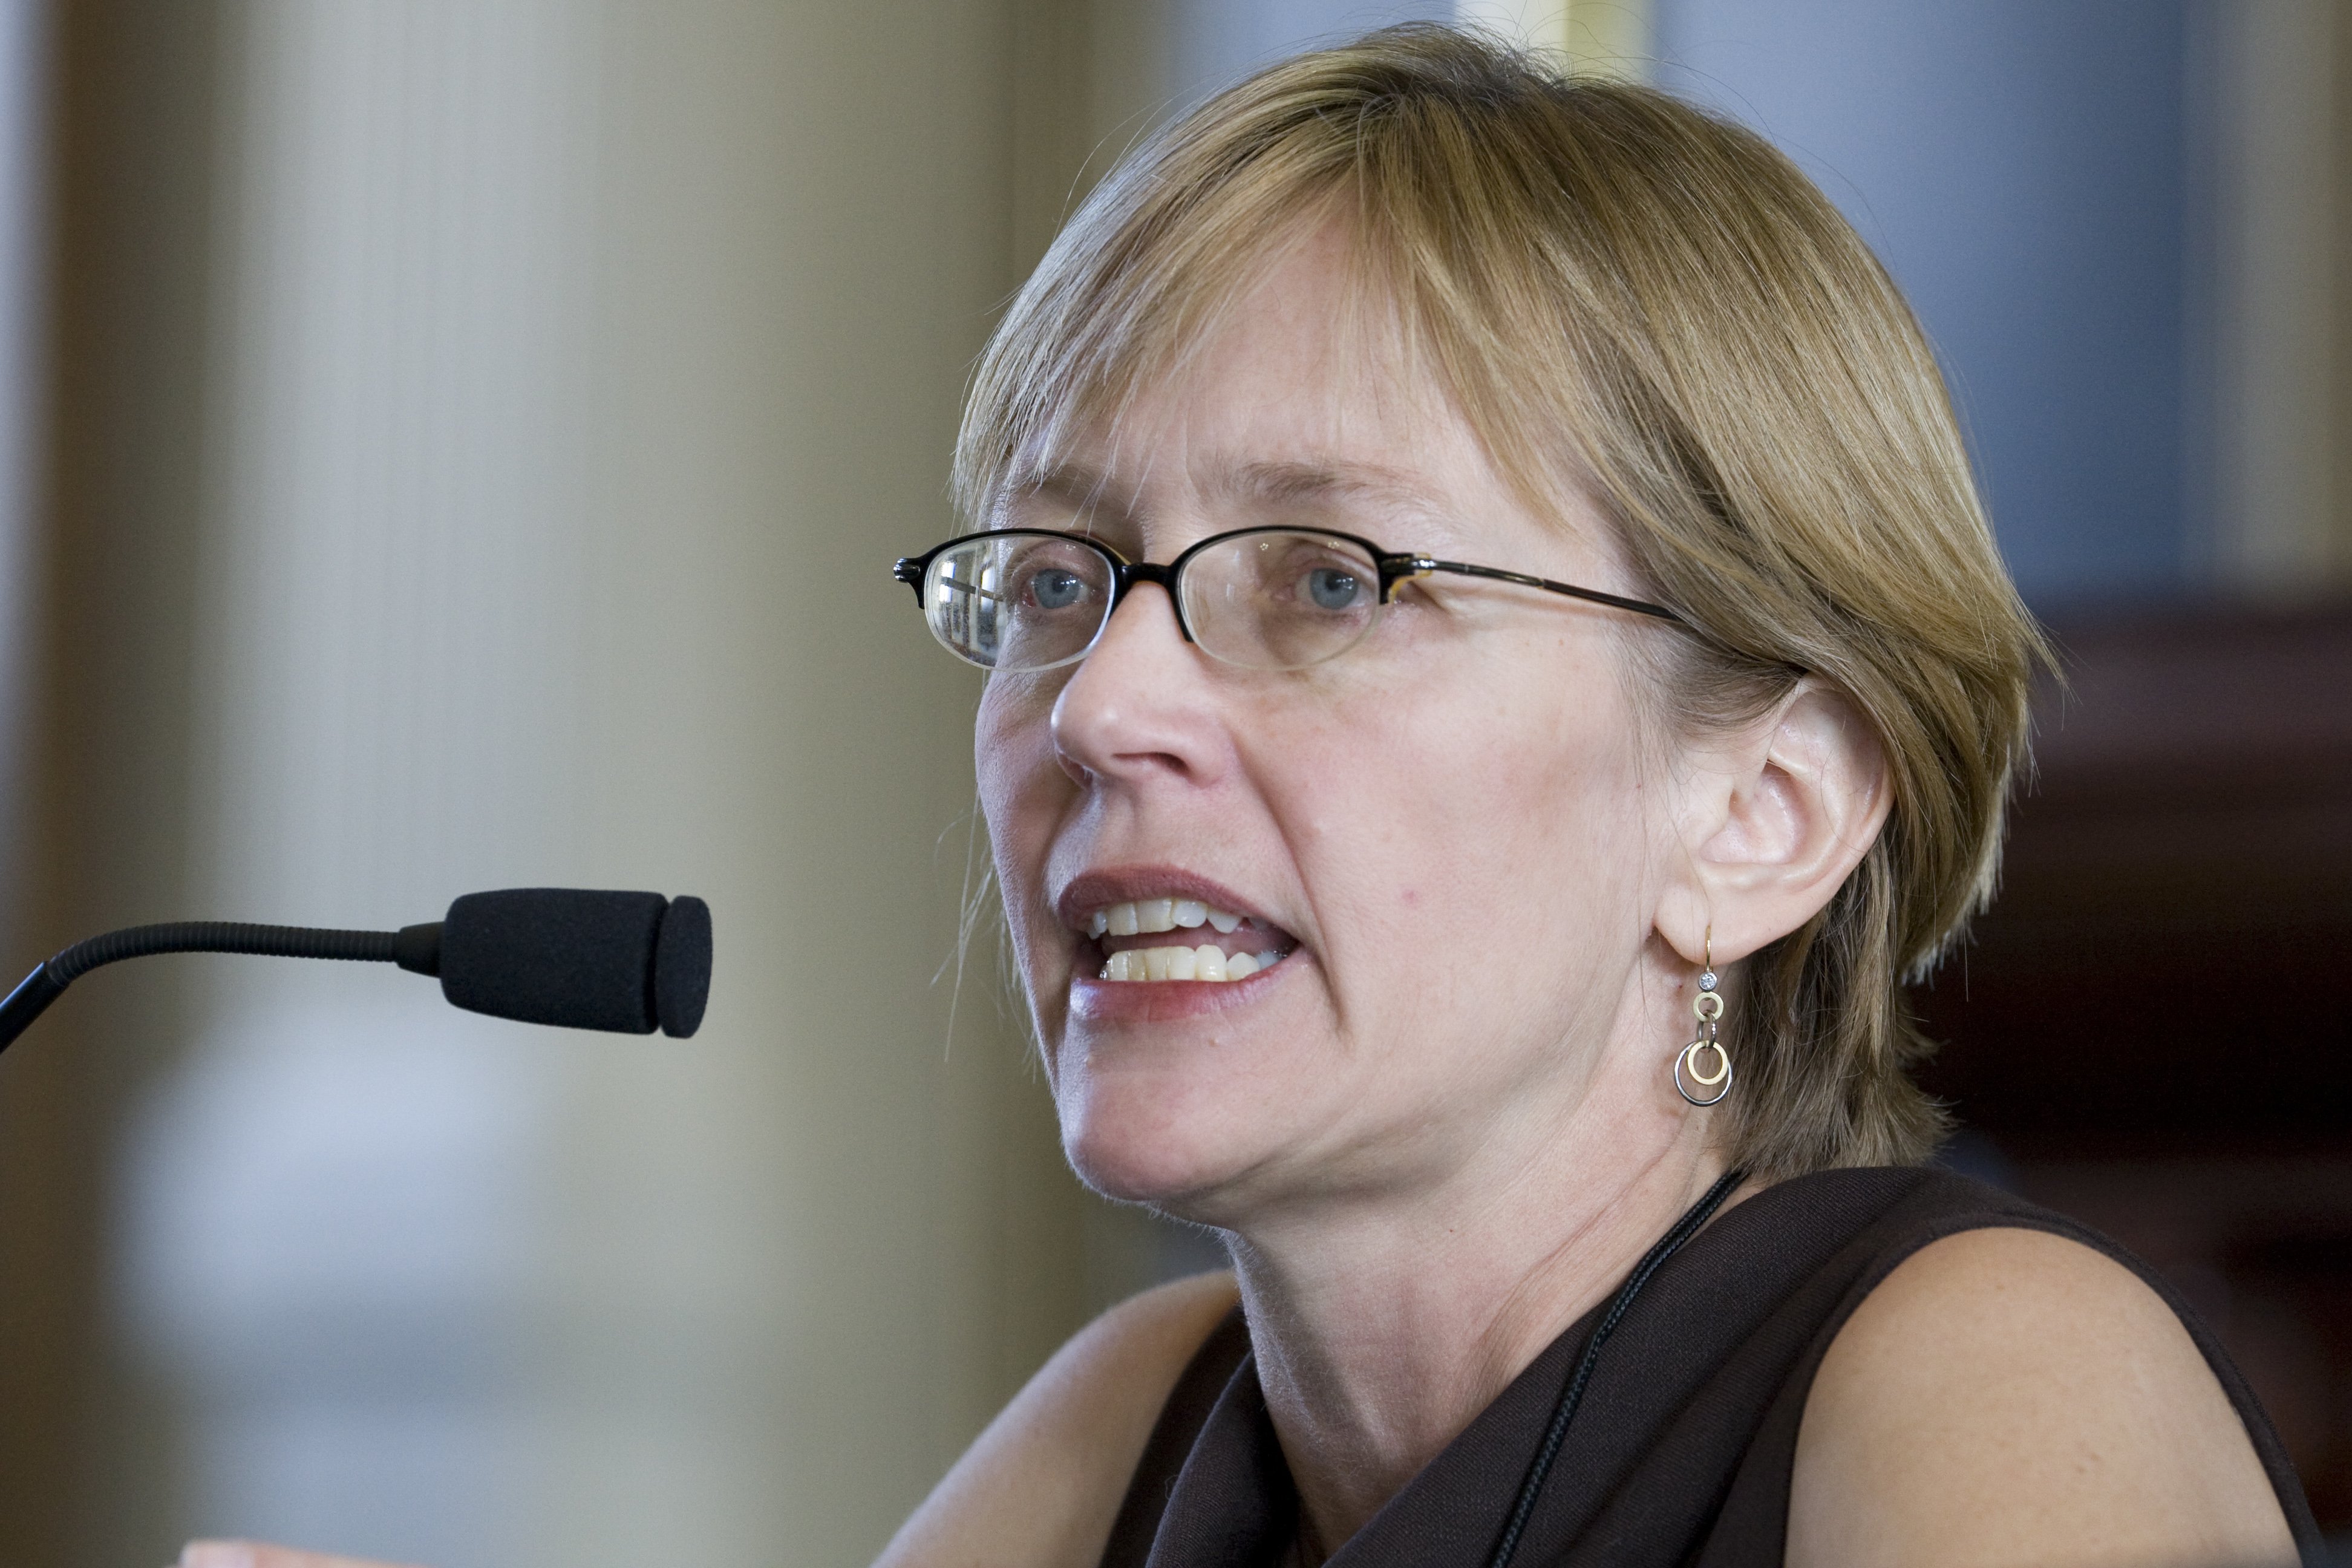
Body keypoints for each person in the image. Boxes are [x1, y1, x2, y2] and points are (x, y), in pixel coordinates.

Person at [194, 24, 2316, 1568]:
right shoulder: (1140, 1425)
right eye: (1052, 578)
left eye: (1327, 579)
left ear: (1756, 811)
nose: (1101, 704)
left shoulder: (1990, 1373)